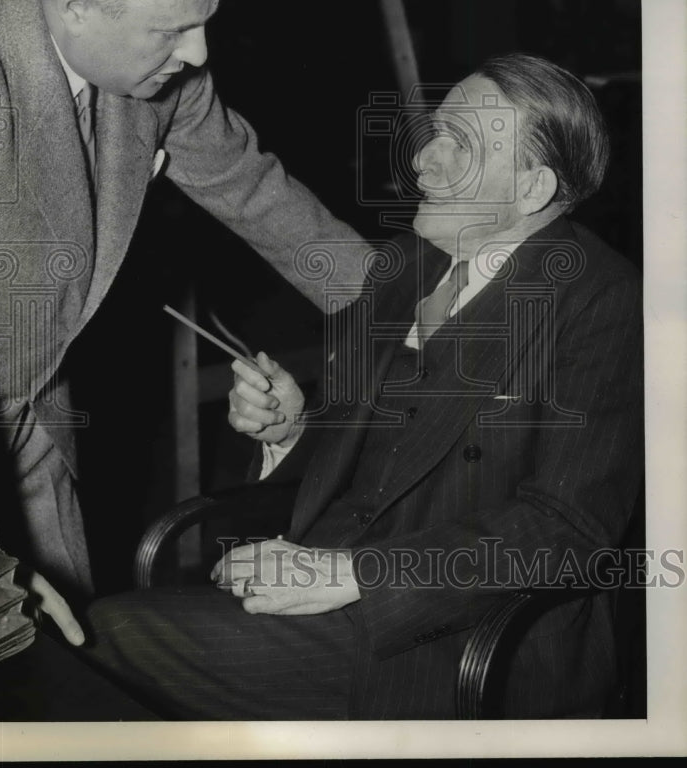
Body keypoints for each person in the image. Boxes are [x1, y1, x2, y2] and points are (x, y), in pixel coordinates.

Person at [83, 53, 643, 719]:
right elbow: (370, 458)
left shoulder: (601, 300)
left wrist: (355, 574)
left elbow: (566, 531)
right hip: (328, 589)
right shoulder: (404, 267)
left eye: (459, 145)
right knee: (110, 634)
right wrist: (292, 428)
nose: (423, 161)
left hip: (454, 639)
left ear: (532, 188)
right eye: (434, 133)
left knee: (108, 638)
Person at [0, 0, 372, 646]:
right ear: (78, 6)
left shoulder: (152, 55)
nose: (198, 55)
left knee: (65, 667)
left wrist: (418, 311)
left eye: (203, 22)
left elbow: (251, 189)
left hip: (27, 417)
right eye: (173, 32)